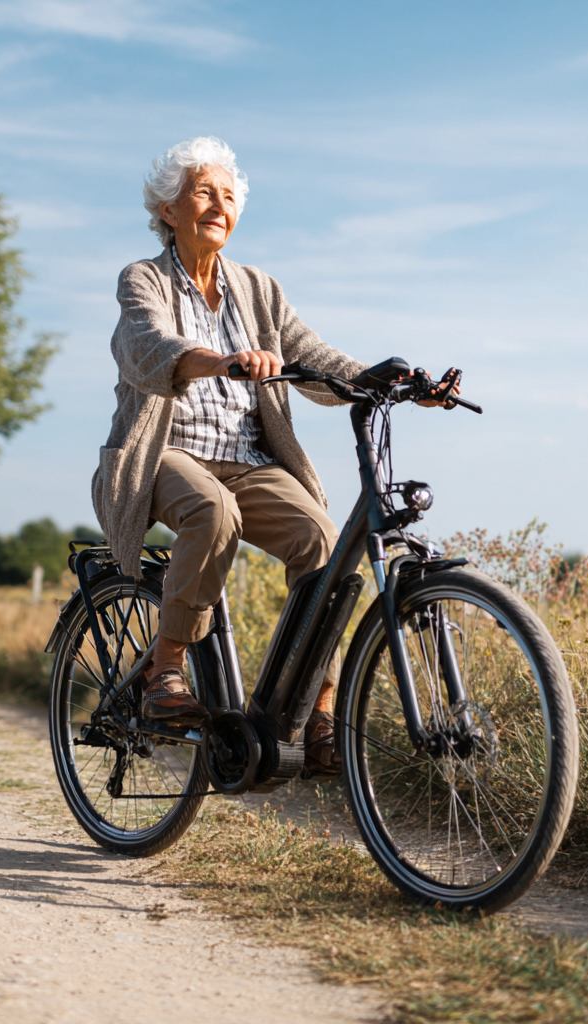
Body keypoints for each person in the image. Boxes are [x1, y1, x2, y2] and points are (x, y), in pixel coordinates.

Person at [92, 136, 452, 775]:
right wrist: (221, 360)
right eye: (202, 192)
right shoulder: (142, 279)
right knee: (213, 512)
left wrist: (390, 381)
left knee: (322, 541)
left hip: (247, 459)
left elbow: (311, 358)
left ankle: (317, 712)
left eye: (228, 196)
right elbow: (147, 347)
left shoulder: (258, 289)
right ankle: (165, 672)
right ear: (168, 210)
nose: (218, 205)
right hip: (167, 455)